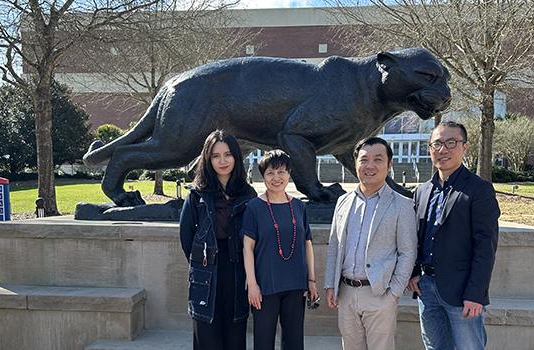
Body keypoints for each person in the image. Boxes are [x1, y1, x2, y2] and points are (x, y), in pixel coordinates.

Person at [406, 121, 500, 350]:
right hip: (426, 289)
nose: (443, 150)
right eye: (437, 144)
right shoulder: (422, 191)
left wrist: (476, 294)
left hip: (462, 293)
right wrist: (414, 273)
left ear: (464, 147)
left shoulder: (479, 190)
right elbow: (415, 238)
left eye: (451, 143)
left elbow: (485, 246)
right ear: (430, 149)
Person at [323, 136, 418, 350]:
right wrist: (331, 284)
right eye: (364, 159)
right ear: (355, 163)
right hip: (346, 292)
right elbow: (335, 246)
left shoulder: (402, 205)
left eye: (378, 159)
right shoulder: (343, 202)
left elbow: (407, 252)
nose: (370, 166)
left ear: (389, 164)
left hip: (379, 293)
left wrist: (393, 294)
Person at [179, 130, 257, 350]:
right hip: (206, 273)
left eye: (228, 154)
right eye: (215, 156)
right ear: (207, 159)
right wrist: (202, 265)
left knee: (235, 337)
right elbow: (186, 238)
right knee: (207, 338)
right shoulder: (197, 195)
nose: (222, 161)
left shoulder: (247, 194)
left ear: (236, 158)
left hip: (237, 271)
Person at [242, 150, 318, 350]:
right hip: (265, 286)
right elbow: (247, 248)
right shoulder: (254, 207)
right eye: (270, 173)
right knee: (263, 341)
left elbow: (307, 244)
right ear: (263, 176)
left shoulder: (299, 207)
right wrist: (252, 284)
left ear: (289, 173)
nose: (276, 177)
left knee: (294, 341)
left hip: (295, 284)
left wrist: (311, 280)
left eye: (281, 171)